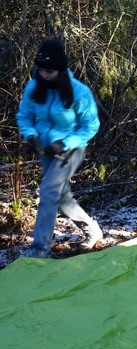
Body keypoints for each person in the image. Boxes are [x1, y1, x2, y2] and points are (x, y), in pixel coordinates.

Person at [16, 39, 103, 258]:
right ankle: (92, 231)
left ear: (61, 71)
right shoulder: (34, 86)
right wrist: (31, 135)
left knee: (47, 192)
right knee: (61, 197)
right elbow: (25, 116)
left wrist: (65, 143)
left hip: (70, 148)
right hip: (45, 149)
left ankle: (39, 251)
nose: (44, 75)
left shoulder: (78, 92)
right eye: (41, 70)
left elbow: (91, 125)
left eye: (50, 71)